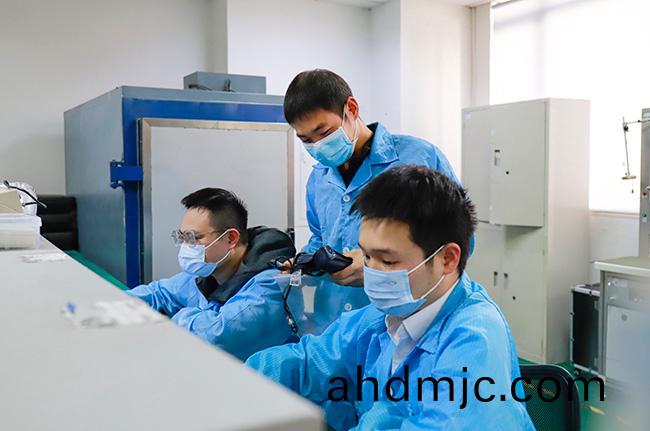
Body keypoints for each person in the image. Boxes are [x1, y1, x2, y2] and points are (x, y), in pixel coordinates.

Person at [246, 165, 534, 430]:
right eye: (366, 256)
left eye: (387, 261)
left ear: (447, 258)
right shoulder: (385, 316)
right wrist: (237, 382)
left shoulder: (474, 339)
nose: (371, 272)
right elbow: (308, 361)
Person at [285, 69, 460, 333]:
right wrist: (306, 261)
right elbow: (321, 238)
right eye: (306, 140)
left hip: (405, 322)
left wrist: (377, 270)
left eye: (324, 132)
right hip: (336, 325)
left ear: (351, 109)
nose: (318, 146)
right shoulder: (319, 179)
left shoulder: (419, 158)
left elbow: (457, 241)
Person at [127, 188, 301, 361]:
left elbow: (216, 336)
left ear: (231, 238)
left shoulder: (269, 287)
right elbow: (160, 294)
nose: (185, 246)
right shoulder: (209, 272)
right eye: (182, 237)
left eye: (193, 237)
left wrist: (176, 318)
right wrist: (117, 302)